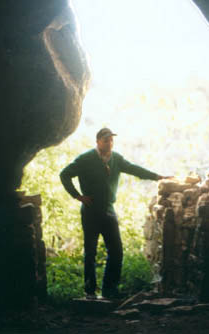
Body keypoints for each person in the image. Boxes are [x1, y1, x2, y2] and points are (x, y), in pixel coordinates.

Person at [60, 127, 171, 299]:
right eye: (106, 140)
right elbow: (64, 174)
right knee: (90, 252)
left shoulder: (116, 159)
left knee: (116, 251)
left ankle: (109, 290)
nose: (109, 143)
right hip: (90, 211)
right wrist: (77, 196)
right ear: (98, 141)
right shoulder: (86, 159)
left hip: (108, 210)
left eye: (111, 140)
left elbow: (135, 170)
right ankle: (89, 291)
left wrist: (159, 177)